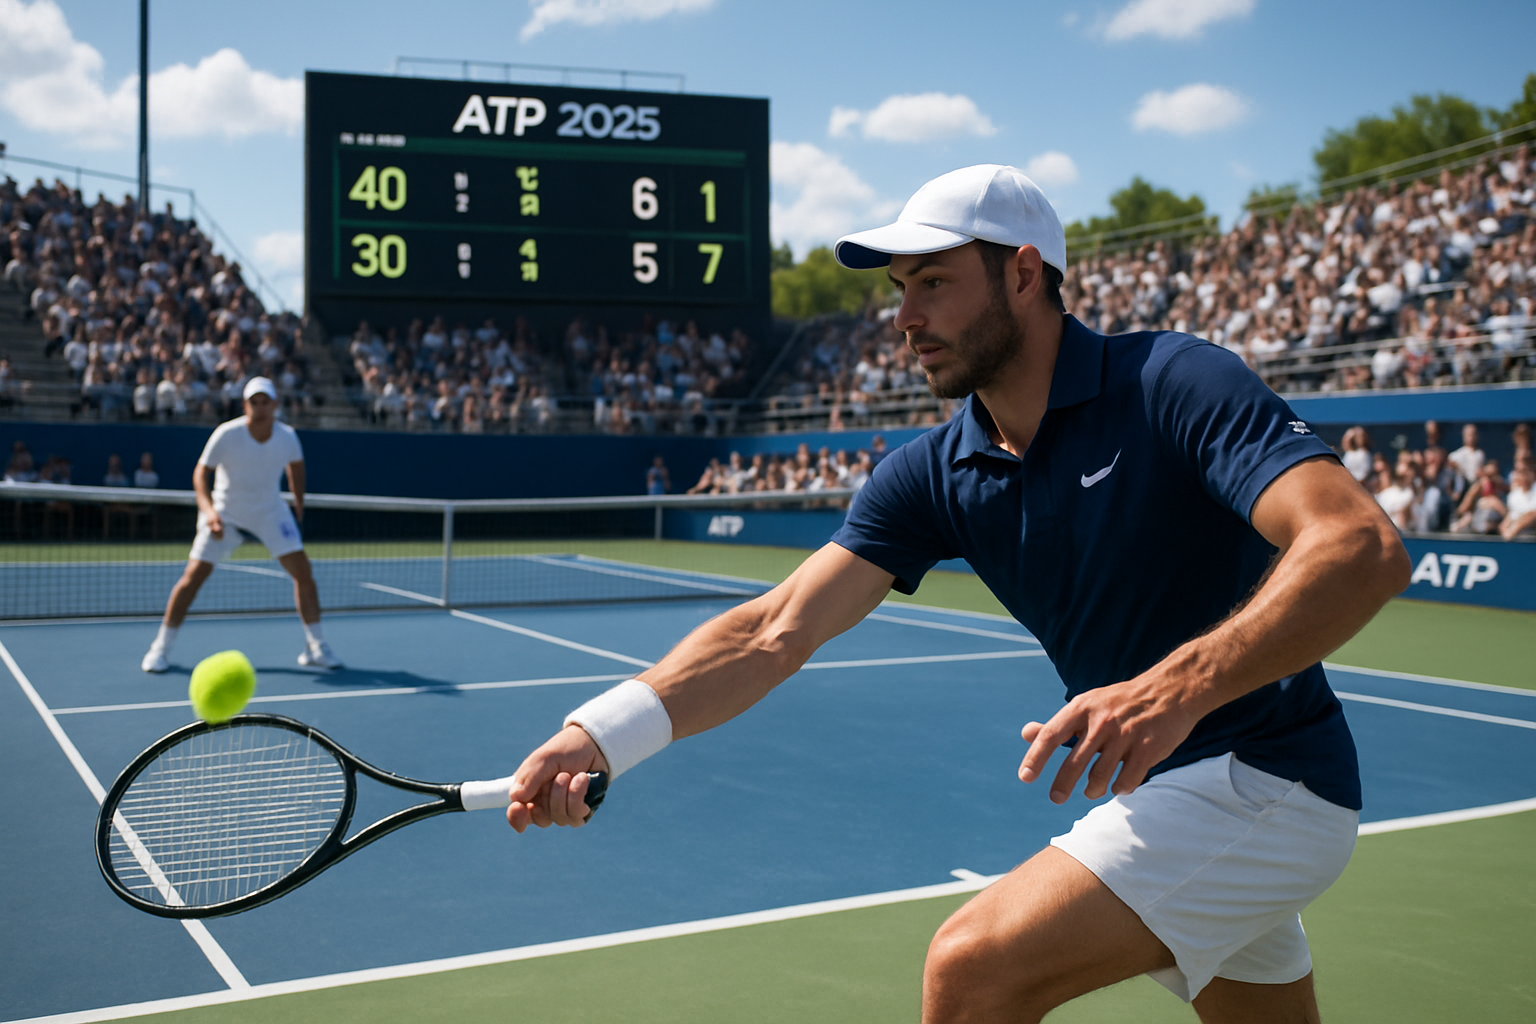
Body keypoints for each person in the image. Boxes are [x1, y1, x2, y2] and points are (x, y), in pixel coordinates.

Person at [496, 165, 1411, 1023]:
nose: (905, 317)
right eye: (901, 289)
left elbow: (1359, 544)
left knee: (972, 966)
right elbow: (774, 629)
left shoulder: (1173, 380)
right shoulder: (931, 472)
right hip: (1162, 794)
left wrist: (1173, 689)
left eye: (932, 282)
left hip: (1268, 781)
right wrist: (600, 734)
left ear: (1022, 275)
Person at [141, 377, 341, 674]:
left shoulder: (287, 437)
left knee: (304, 573)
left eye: (265, 402)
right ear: (245, 405)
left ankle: (316, 647)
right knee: (193, 576)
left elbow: (296, 468)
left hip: (270, 511)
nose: (259, 408)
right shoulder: (227, 434)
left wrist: (299, 503)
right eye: (253, 402)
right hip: (225, 512)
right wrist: (209, 511)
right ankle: (160, 648)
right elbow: (200, 475)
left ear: (275, 405)